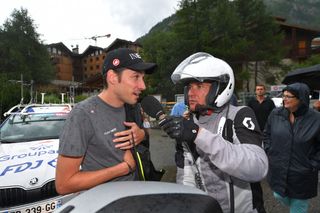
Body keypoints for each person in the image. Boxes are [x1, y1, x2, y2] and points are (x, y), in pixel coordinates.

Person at [159, 52, 268, 213]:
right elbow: (186, 173)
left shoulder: (239, 115)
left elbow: (258, 167)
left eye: (199, 86)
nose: (190, 93)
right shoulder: (189, 124)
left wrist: (198, 134)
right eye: (189, 87)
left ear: (220, 88)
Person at [55, 48, 157, 195]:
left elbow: (145, 136)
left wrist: (143, 134)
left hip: (136, 196)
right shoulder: (82, 115)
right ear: (113, 77)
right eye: (135, 77)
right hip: (104, 203)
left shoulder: (133, 107)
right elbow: (64, 184)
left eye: (143, 78)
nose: (143, 86)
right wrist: (124, 168)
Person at [263, 82, 320, 213]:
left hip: (302, 173)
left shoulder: (316, 119)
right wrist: (269, 151)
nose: (284, 99)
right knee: (278, 194)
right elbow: (267, 134)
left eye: (289, 96)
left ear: (301, 99)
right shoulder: (275, 114)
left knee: (298, 206)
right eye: (284, 95)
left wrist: (313, 164)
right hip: (278, 168)